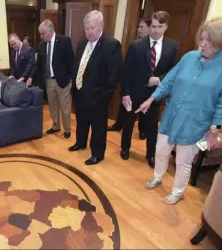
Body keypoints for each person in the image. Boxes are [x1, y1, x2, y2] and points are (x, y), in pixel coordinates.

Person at [136, 16, 222, 205]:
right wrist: (151, 98)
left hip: (195, 122)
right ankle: (158, 176)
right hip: (171, 116)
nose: (204, 45)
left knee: (183, 160)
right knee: (161, 150)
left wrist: (214, 129)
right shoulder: (190, 57)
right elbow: (169, 80)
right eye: (202, 39)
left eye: (210, 41)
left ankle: (178, 191)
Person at [120, 11, 179, 168]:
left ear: (166, 27)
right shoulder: (136, 45)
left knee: (152, 127)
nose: (155, 30)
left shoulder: (172, 47)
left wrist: (159, 79)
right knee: (128, 123)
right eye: (153, 26)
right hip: (134, 92)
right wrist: (125, 93)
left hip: (155, 95)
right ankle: (125, 148)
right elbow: (126, 71)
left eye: (160, 27)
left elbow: (174, 72)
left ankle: (150, 155)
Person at [68, 10, 123, 165]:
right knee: (81, 121)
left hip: (99, 97)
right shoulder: (81, 44)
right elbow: (77, 67)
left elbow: (114, 75)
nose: (89, 32)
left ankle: (97, 154)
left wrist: (104, 97)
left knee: (98, 127)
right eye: (86, 28)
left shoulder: (111, 45)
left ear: (101, 26)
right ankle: (80, 142)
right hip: (80, 93)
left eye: (92, 28)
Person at [108, 17, 151, 140]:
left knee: (144, 110)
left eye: (142, 27)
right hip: (131, 84)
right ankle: (118, 125)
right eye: (138, 27)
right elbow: (128, 66)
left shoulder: (156, 48)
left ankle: (143, 130)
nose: (138, 29)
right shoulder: (136, 44)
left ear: (149, 28)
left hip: (147, 86)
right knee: (125, 107)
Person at [36, 20, 75, 139]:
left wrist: (70, 79)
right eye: (40, 34)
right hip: (49, 81)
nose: (41, 36)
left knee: (65, 108)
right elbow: (40, 65)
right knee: (52, 107)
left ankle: (67, 129)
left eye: (42, 34)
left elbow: (71, 62)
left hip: (63, 81)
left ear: (50, 30)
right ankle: (56, 126)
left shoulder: (64, 41)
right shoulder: (41, 45)